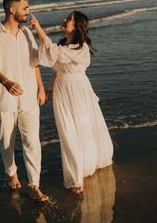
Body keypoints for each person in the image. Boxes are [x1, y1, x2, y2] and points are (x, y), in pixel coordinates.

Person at [30, 10, 113, 195]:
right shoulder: (62, 44)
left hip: (78, 91)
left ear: (77, 27)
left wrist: (38, 29)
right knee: (67, 131)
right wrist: (49, 89)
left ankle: (80, 175)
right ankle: (77, 174)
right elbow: (56, 68)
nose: (64, 20)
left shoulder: (80, 48)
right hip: (62, 90)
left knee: (83, 129)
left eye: (69, 19)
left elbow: (54, 52)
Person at [0, 0, 49, 202]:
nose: (28, 11)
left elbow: (34, 62)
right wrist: (6, 82)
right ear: (12, 9)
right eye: (25, 8)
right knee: (6, 142)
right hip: (4, 99)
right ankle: (12, 174)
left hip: (29, 98)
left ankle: (34, 185)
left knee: (32, 142)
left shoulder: (27, 33)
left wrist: (41, 88)